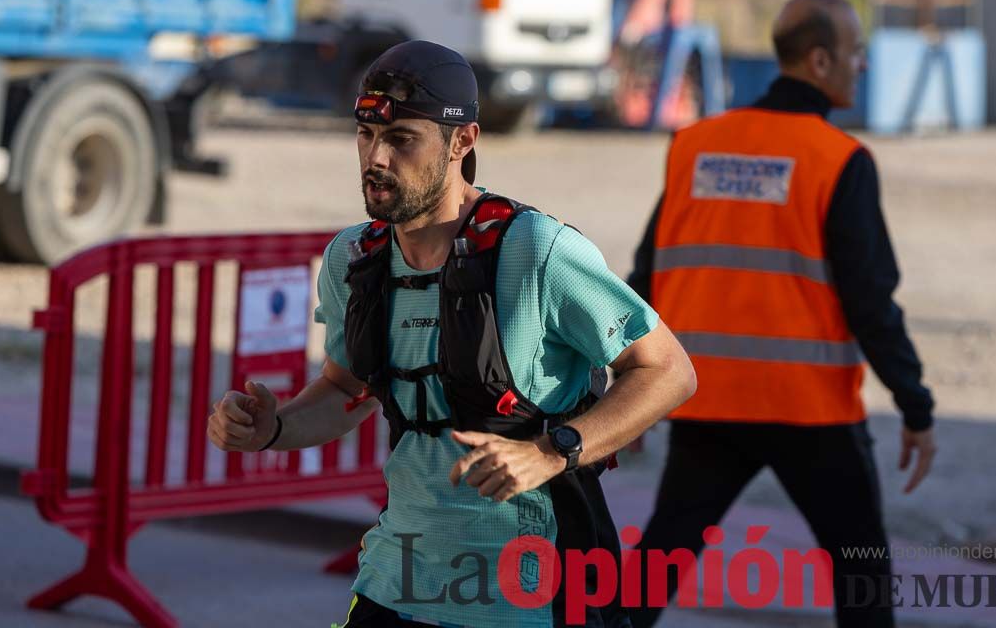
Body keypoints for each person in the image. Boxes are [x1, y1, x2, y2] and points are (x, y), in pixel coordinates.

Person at [208, 40, 696, 628]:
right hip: (399, 577)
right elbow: (344, 389)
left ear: (462, 142)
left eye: (401, 139)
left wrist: (551, 451)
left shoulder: (536, 250)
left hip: (531, 595)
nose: (376, 158)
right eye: (365, 135)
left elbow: (668, 371)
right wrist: (274, 427)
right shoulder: (353, 259)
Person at [625, 0, 937, 628]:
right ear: (820, 61)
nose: (864, 65)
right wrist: (915, 404)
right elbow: (870, 299)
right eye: (856, 53)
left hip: (704, 399)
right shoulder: (838, 160)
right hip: (808, 408)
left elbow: (643, 277)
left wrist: (622, 381)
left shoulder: (695, 146)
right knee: (861, 579)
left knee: (657, 563)